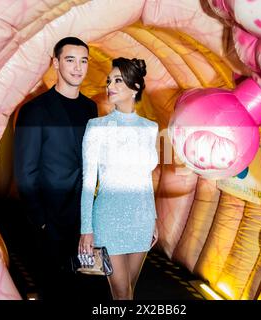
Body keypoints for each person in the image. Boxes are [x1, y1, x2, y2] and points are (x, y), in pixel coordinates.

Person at [13, 37, 109, 300]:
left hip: (84, 219)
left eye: (83, 60)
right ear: (55, 63)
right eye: (70, 60)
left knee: (89, 288)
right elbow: (25, 171)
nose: (78, 67)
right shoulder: (35, 110)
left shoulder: (90, 107)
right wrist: (41, 220)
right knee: (55, 289)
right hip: (51, 220)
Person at [78, 57, 159, 300]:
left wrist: (154, 217)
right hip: (109, 220)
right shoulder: (96, 127)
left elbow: (147, 179)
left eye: (118, 81)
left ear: (135, 88)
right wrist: (86, 229)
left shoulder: (150, 128)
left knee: (129, 291)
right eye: (109, 81)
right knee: (122, 292)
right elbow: (88, 182)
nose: (109, 86)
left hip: (142, 220)